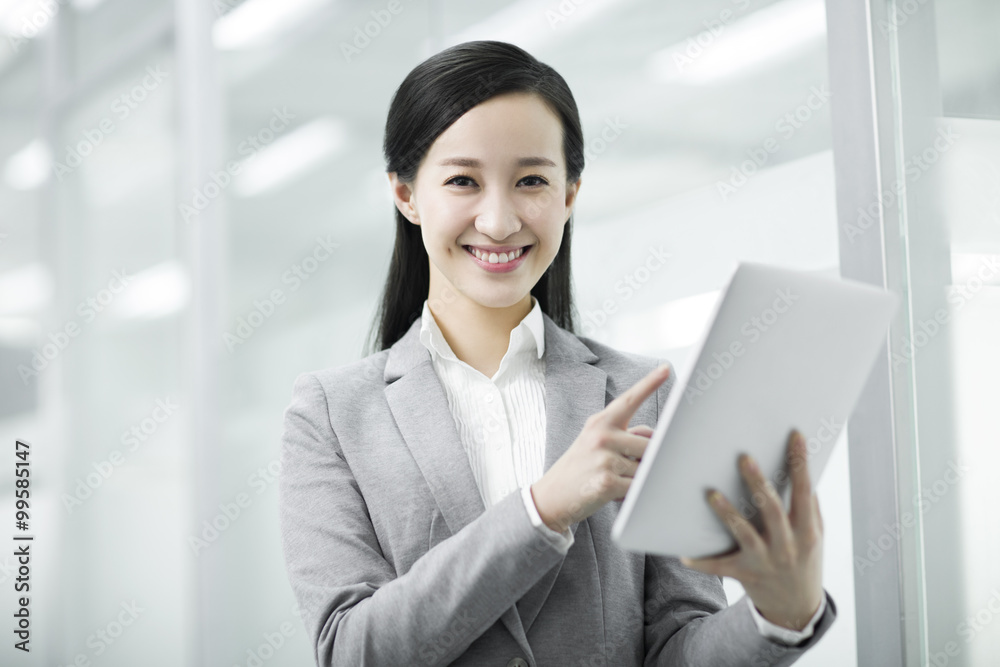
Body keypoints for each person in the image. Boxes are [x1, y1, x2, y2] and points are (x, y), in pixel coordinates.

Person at [278, 40, 836, 667]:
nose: (498, 220)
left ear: (569, 195)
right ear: (406, 194)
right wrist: (544, 509)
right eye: (463, 180)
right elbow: (353, 652)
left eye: (532, 181)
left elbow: (676, 647)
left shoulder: (639, 393)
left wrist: (780, 614)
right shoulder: (331, 414)